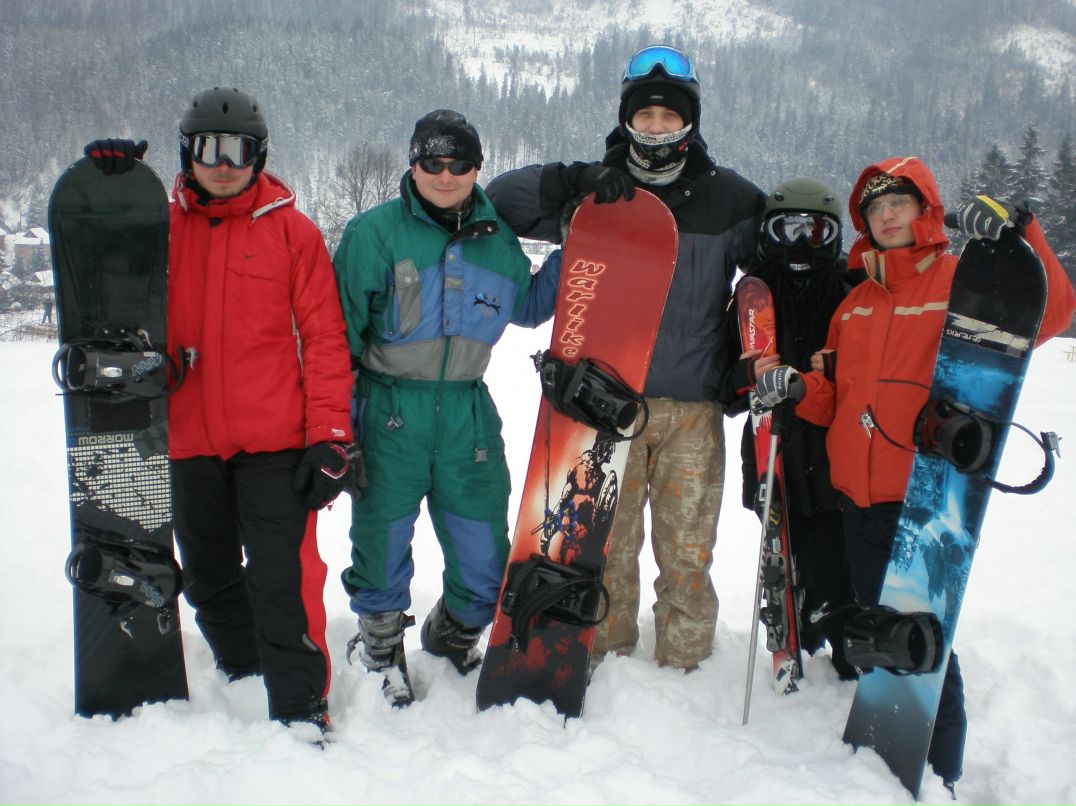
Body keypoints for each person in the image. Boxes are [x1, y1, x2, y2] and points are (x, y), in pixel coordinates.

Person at [755, 156, 1075, 792]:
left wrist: (1019, 232)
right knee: (879, 628)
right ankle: (886, 755)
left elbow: (1052, 314)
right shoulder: (855, 305)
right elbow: (835, 397)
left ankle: (940, 770)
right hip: (856, 498)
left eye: (898, 203)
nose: (887, 216)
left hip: (922, 499)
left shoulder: (960, 282)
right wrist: (796, 387)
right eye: (875, 209)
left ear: (926, 209)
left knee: (920, 640)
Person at [83, 86, 355, 733]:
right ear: (187, 153)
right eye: (209, 149)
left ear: (259, 156)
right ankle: (243, 664)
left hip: (275, 440)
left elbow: (324, 338)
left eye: (239, 150)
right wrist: (110, 189)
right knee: (205, 575)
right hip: (187, 437)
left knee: (281, 577)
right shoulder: (160, 229)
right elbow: (99, 266)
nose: (224, 164)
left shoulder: (293, 233)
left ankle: (300, 706)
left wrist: (330, 435)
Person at [486, 45, 765, 671]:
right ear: (627, 120)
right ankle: (607, 655)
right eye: (646, 115)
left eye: (670, 116)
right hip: (608, 404)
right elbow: (501, 200)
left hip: (693, 409)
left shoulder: (729, 200)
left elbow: (780, 263)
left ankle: (687, 665)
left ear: (689, 121)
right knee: (607, 548)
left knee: (688, 550)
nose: (657, 127)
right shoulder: (599, 191)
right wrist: (575, 180)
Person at [332, 109, 562, 707]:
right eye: (432, 162)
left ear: (476, 168)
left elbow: (529, 305)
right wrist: (338, 426)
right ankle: (380, 649)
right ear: (413, 165)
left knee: (486, 557)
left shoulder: (496, 238)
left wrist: (580, 242)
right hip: (388, 414)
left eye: (458, 163)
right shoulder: (374, 233)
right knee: (381, 543)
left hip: (467, 416)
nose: (445, 174)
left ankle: (453, 636)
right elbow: (338, 337)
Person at [717, 177, 858, 680]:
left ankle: (845, 648)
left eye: (814, 231)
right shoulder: (751, 296)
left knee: (834, 561)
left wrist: (839, 367)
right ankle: (796, 629)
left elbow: (874, 376)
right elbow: (722, 388)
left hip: (835, 457)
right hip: (772, 453)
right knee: (787, 554)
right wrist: (745, 375)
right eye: (788, 229)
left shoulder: (852, 292)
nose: (800, 243)